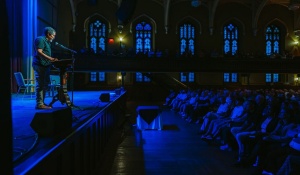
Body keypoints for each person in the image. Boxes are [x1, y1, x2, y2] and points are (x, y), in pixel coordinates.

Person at [32, 26, 58, 109]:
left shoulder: (47, 42)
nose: (54, 38)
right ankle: (39, 104)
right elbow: (39, 52)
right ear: (48, 34)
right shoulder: (40, 39)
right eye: (53, 35)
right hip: (40, 65)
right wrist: (50, 59)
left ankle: (42, 103)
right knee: (40, 84)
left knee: (45, 84)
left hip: (46, 66)